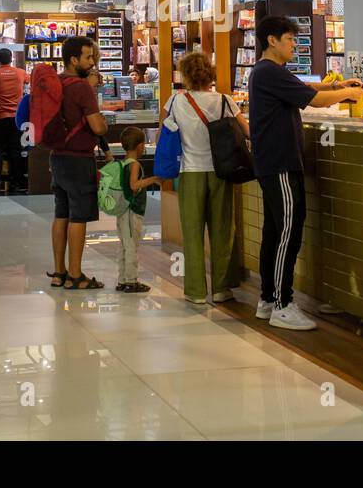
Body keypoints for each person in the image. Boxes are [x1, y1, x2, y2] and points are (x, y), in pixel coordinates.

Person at [250, 16, 363, 331]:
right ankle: (283, 304)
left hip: (274, 164)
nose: (293, 45)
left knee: (275, 232)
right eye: (289, 39)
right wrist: (346, 95)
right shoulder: (268, 72)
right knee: (289, 230)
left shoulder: (268, 73)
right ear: (272, 40)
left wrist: (336, 86)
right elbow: (311, 99)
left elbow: (305, 89)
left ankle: (268, 300)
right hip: (280, 164)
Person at [163, 50, 249, 306]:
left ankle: (196, 290)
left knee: (192, 232)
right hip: (220, 172)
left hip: (190, 173)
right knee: (222, 229)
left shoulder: (175, 102)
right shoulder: (224, 101)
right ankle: (221, 289)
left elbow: (163, 137)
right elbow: (246, 132)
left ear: (186, 75)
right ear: (210, 74)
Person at [47, 37, 108, 290]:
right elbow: (96, 125)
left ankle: (59, 272)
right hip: (79, 159)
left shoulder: (57, 82)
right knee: (79, 216)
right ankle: (76, 275)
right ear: (74, 59)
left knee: (61, 213)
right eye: (88, 57)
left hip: (57, 158)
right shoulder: (82, 88)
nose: (92, 62)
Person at [115, 125, 159, 294]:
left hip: (122, 212)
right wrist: (153, 179)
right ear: (140, 145)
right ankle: (132, 281)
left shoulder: (123, 163)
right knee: (132, 246)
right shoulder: (134, 165)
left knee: (124, 246)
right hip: (132, 212)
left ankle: (123, 279)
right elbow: (134, 185)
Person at [0, 48, 28, 193]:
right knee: (16, 150)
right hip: (16, 118)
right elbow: (30, 81)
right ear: (11, 58)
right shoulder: (20, 72)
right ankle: (17, 182)